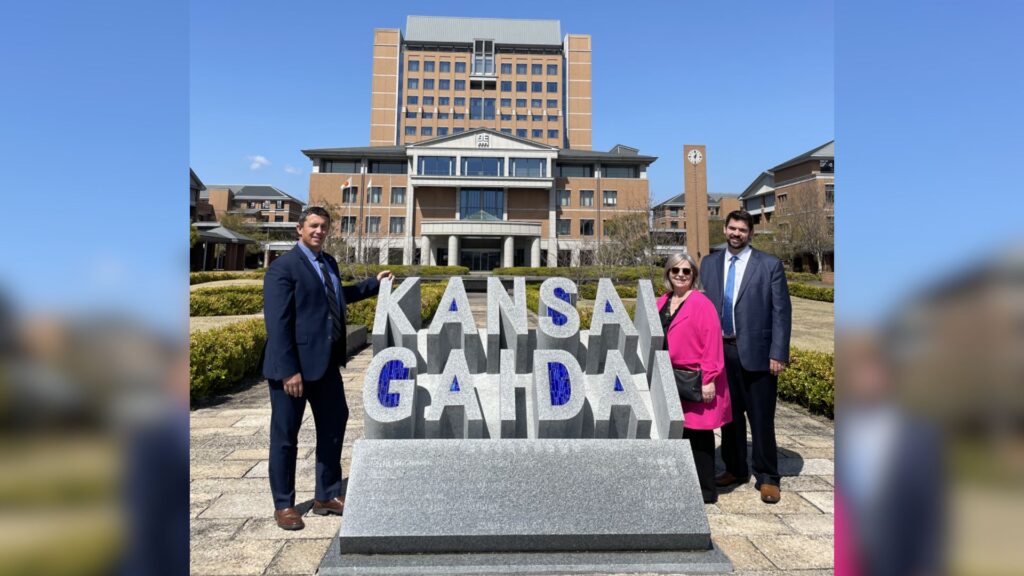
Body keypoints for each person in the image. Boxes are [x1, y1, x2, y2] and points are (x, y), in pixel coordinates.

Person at [262, 206, 393, 530]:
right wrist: (289, 370)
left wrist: (371, 285)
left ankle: (327, 495)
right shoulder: (283, 269)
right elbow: (278, 325)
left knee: (334, 425)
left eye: (324, 227)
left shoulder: (328, 263)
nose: (319, 231)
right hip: (292, 370)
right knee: (285, 438)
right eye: (314, 226)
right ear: (300, 229)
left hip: (326, 365)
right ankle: (284, 504)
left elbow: (336, 297)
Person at [700, 210, 791, 504]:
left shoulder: (769, 265)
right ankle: (735, 469)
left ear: (750, 233)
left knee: (761, 417)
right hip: (721, 352)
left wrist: (778, 353)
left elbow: (781, 313)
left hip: (758, 354)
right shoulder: (710, 263)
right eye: (732, 228)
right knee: (729, 417)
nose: (736, 233)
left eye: (742, 229)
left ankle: (768, 476)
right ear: (724, 230)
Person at [657, 252, 732, 504]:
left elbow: (712, 344)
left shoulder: (702, 304)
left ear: (693, 276)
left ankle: (705, 491)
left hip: (695, 377)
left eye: (686, 271)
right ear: (668, 273)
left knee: (698, 435)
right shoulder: (662, 301)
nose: (680, 275)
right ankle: (680, 484)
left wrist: (709, 378)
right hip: (667, 377)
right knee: (675, 433)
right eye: (675, 270)